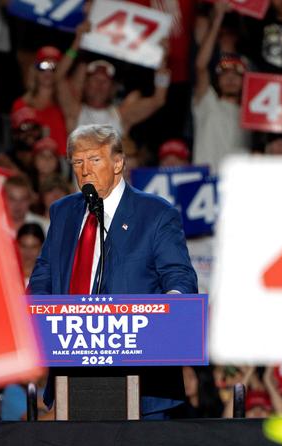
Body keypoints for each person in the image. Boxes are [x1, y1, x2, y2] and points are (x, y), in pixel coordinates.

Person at [28, 124, 198, 418]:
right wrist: (35, 313)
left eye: (94, 160)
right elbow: (44, 274)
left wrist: (168, 314)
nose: (84, 170)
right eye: (77, 162)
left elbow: (179, 277)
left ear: (118, 162)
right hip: (74, 373)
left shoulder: (155, 214)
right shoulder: (63, 212)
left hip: (144, 385)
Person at [56, 22, 170, 136]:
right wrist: (76, 43)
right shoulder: (74, 112)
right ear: (85, 85)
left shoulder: (121, 117)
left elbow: (158, 100)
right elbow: (58, 77)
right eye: (95, 79)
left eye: (105, 81)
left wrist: (162, 60)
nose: (99, 85)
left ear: (112, 88)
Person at [193, 1, 250, 173]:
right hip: (205, 185)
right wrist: (218, 18)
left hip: (235, 188)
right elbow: (201, 66)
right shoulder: (207, 101)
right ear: (218, 80)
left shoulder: (249, 114)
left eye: (236, 75)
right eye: (225, 75)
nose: (231, 79)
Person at [12, 46, 67, 155]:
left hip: (61, 163)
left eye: (53, 67)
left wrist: (76, 45)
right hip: (32, 163)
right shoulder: (21, 104)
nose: (48, 72)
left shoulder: (65, 104)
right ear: (35, 70)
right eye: (43, 66)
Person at [17, 222, 45, 287]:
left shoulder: (47, 279)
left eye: (34, 247)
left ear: (42, 247)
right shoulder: (5, 274)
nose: (28, 252)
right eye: (23, 246)